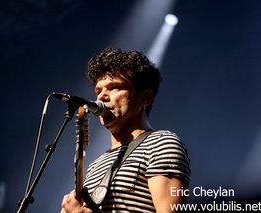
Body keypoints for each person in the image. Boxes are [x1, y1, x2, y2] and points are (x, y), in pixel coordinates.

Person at [60, 47, 191, 213]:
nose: (101, 97)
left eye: (113, 87)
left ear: (146, 98)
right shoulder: (96, 165)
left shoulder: (163, 144)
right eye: (98, 91)